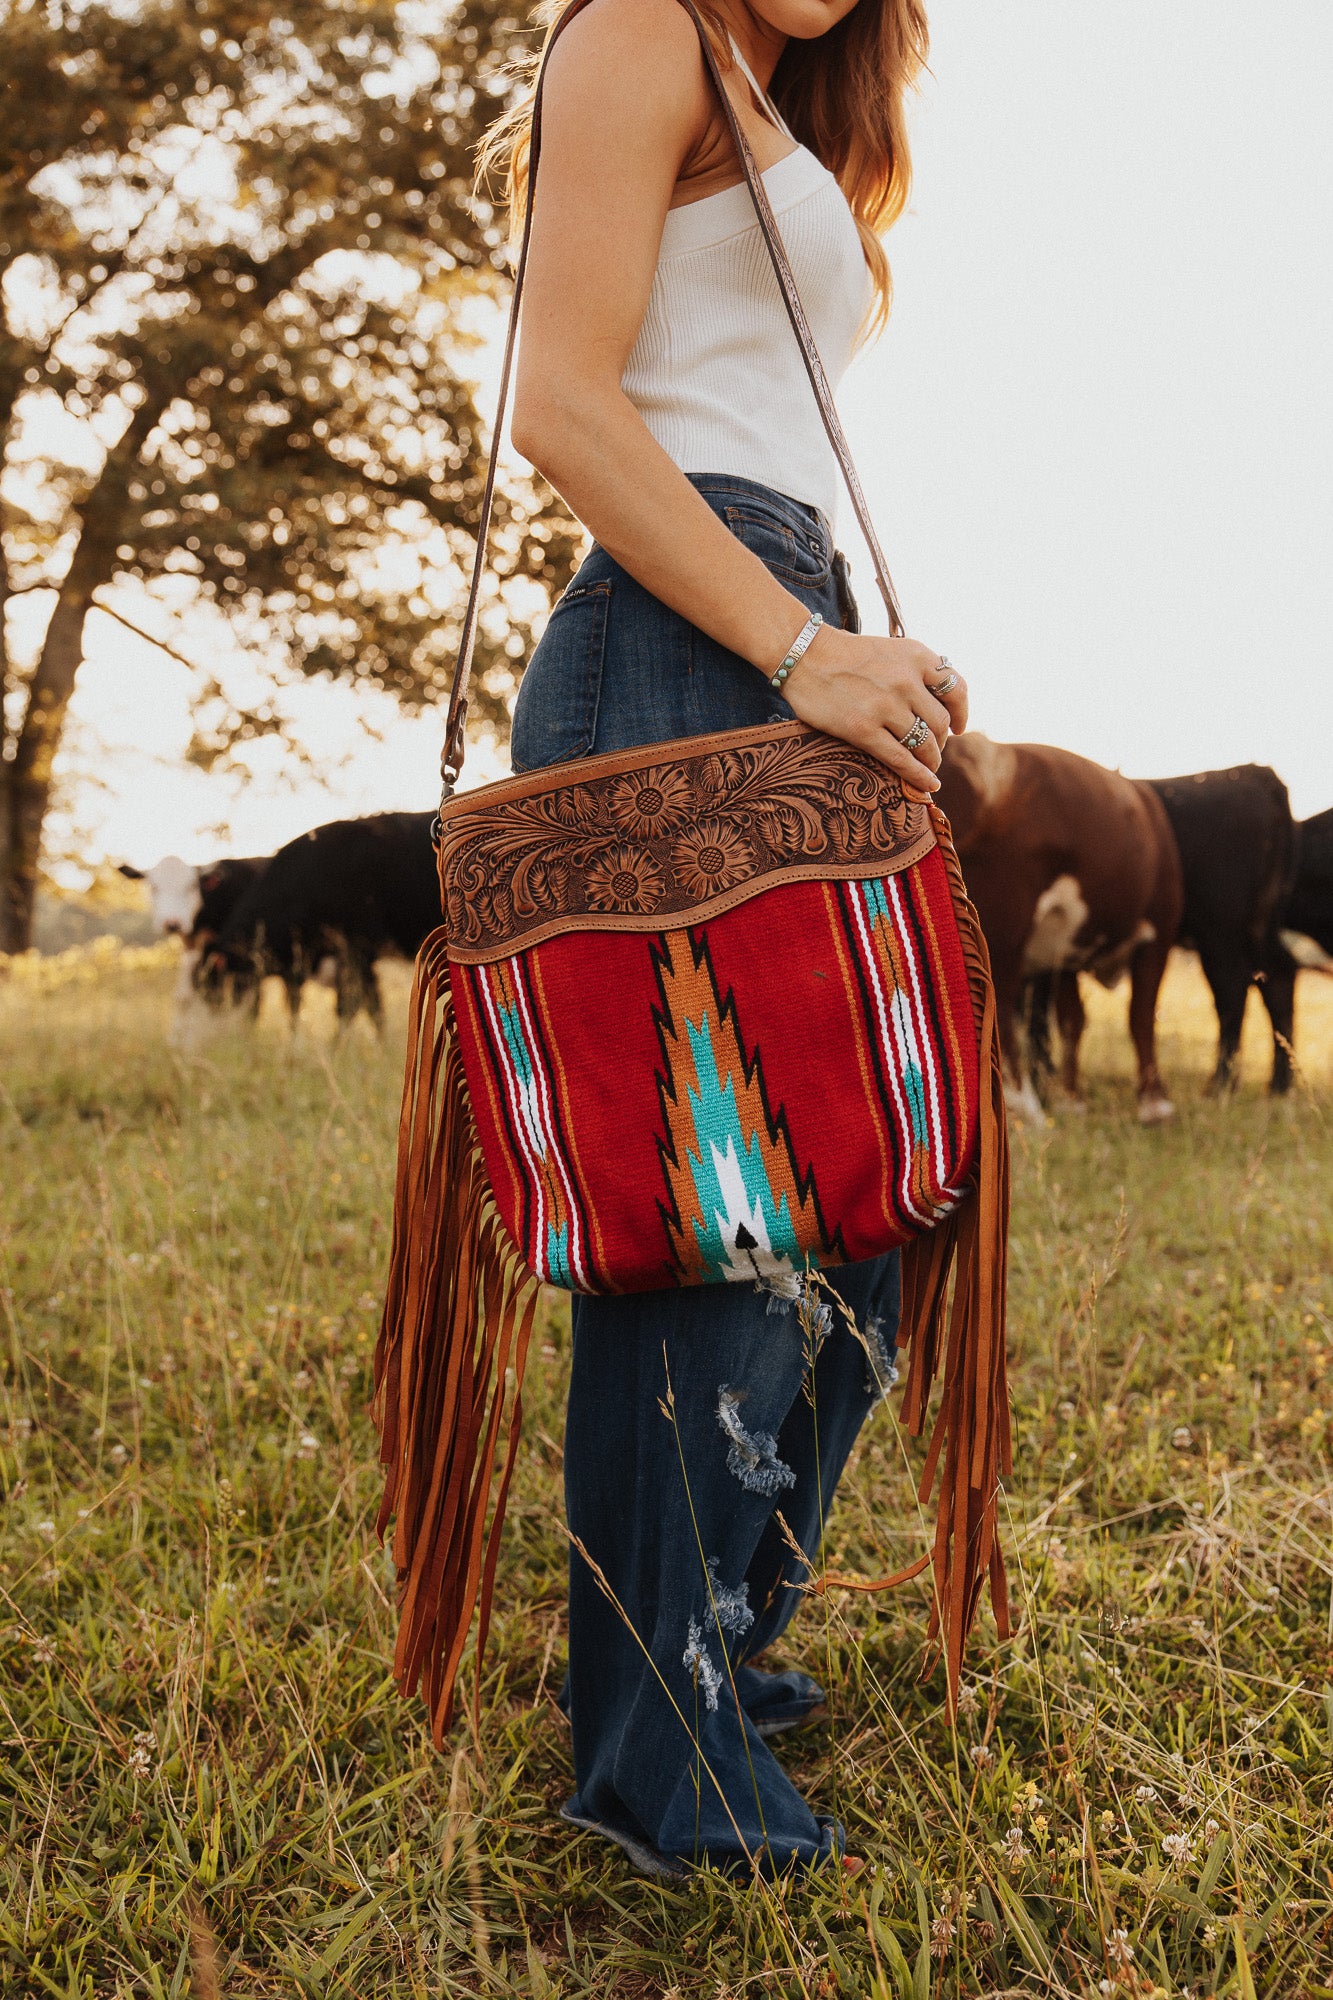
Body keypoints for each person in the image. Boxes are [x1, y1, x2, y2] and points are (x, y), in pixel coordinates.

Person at [486, 0, 967, 1877]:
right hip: (684, 648)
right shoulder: (636, 29)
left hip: (782, 629)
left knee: (867, 1206)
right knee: (714, 1229)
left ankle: (705, 1647)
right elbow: (561, 403)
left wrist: (848, 639)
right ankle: (653, 1760)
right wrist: (793, 642)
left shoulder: (786, 93)